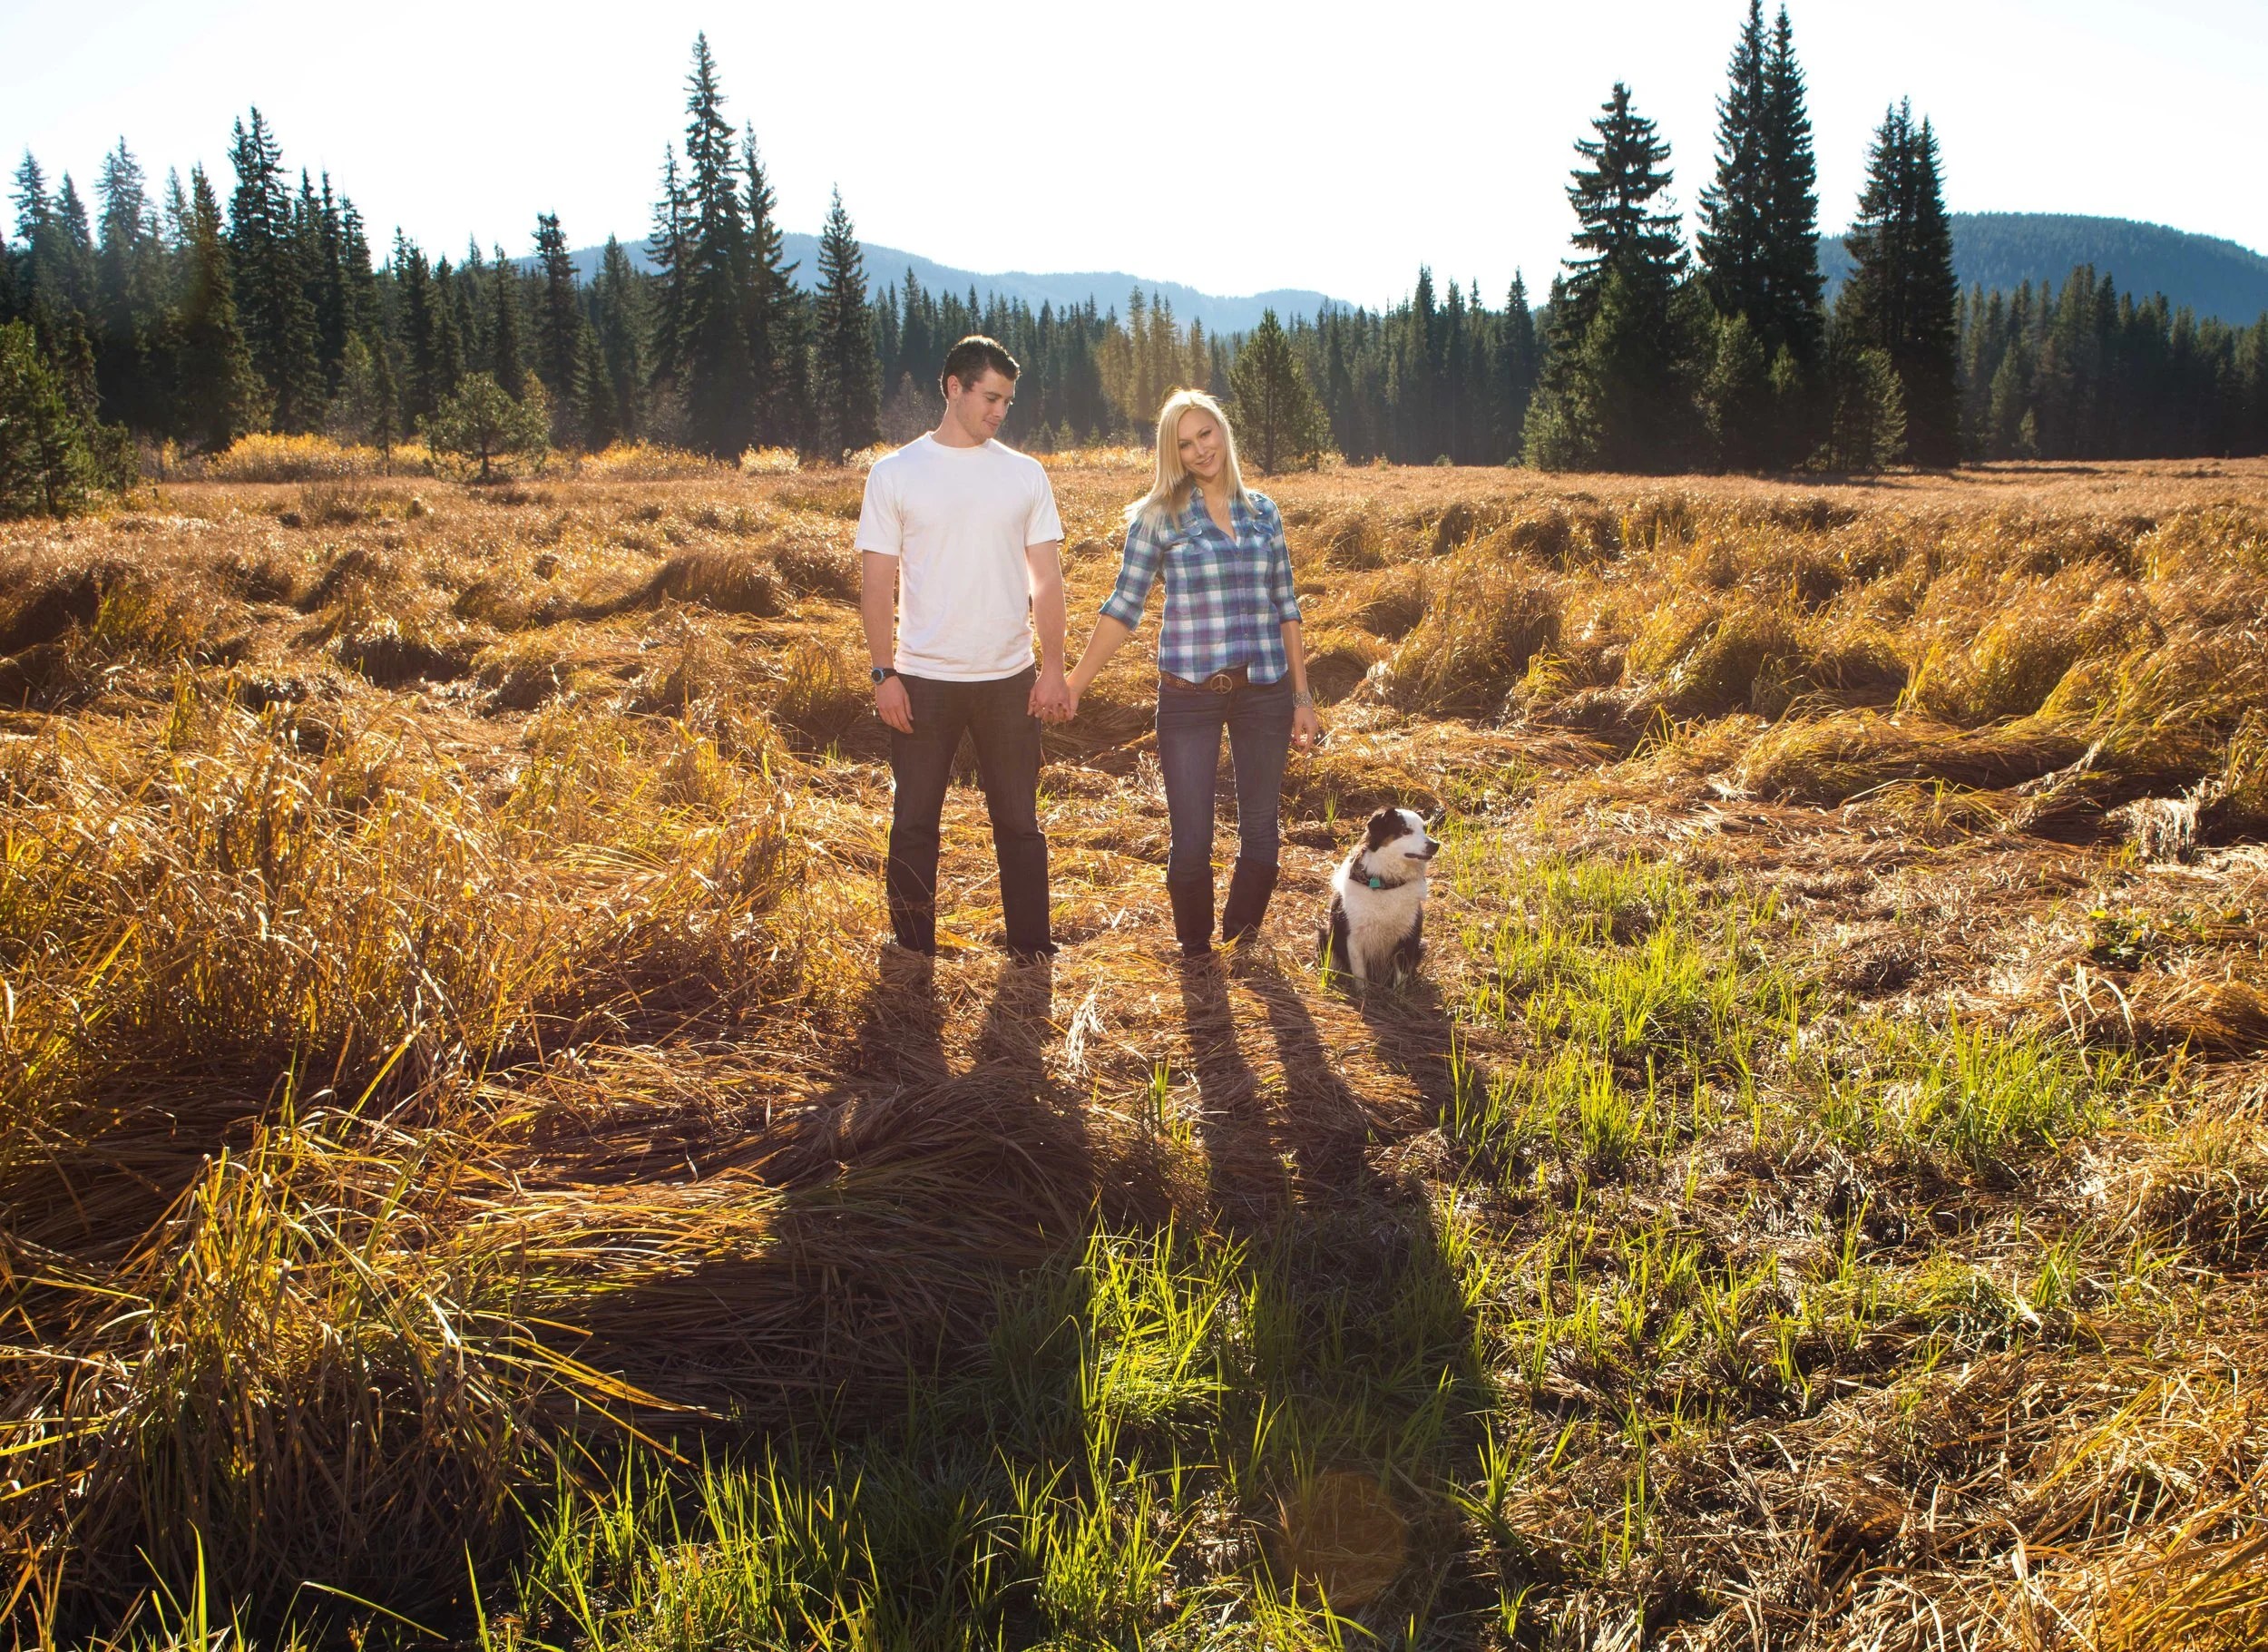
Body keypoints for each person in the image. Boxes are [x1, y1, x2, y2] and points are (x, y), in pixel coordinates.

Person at [1063, 389, 1322, 958]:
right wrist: (1075, 682)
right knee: (1192, 841)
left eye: (1206, 434)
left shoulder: (1264, 512)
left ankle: (1241, 941)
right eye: (1184, 444)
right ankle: (1196, 954)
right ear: (1171, 455)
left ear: (1223, 431)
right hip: (1189, 697)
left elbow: (1288, 606)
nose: (1200, 449)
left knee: (1261, 831)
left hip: (1265, 692)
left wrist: (1301, 696)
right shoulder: (1160, 519)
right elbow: (1122, 607)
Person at [855, 335, 1070, 961]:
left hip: (1010, 680)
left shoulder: (1025, 475)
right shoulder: (895, 474)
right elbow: (876, 582)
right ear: (954, 387)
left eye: (1008, 401)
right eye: (991, 397)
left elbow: (1048, 579)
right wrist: (882, 673)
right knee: (915, 823)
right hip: (922, 681)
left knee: (1020, 826)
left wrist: (1051, 667)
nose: (1001, 411)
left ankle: (1032, 952)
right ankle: (912, 953)